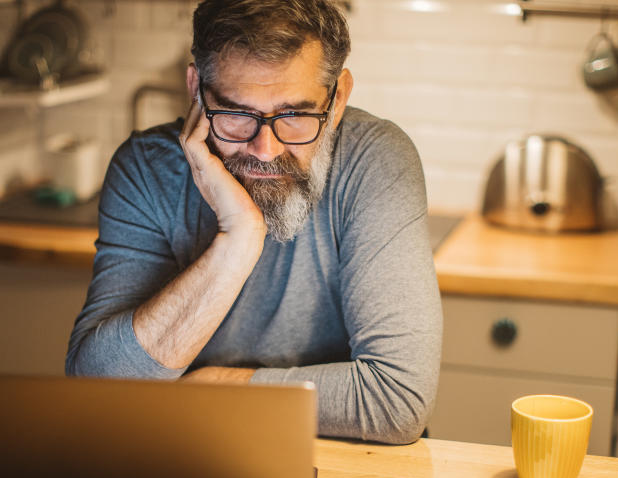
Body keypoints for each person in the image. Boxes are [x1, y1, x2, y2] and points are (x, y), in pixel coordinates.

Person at [66, 0, 441, 444]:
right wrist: (239, 239)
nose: (265, 149)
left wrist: (218, 386)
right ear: (196, 90)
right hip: (182, 453)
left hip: (345, 460)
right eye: (238, 115)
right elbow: (97, 388)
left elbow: (396, 400)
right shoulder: (145, 169)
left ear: (337, 99)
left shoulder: (375, 160)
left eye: (296, 115)